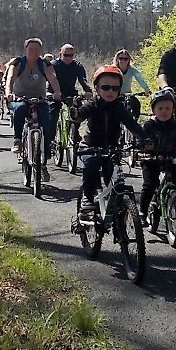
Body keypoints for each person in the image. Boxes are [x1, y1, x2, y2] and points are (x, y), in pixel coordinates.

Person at [73, 65, 147, 229]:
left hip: (112, 149)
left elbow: (132, 125)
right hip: (90, 147)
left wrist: (145, 139)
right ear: (97, 88)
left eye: (115, 88)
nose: (110, 91)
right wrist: (76, 114)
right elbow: (81, 113)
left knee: (113, 179)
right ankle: (88, 197)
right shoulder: (93, 104)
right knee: (91, 166)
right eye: (106, 87)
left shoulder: (120, 108)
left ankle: (118, 210)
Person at [138, 89, 176, 225]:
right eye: (160, 108)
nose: (164, 111)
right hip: (151, 159)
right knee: (149, 184)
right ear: (154, 110)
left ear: (173, 110)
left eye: (168, 108)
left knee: (175, 175)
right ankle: (142, 211)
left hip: (170, 157)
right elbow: (141, 139)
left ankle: (171, 195)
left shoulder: (174, 125)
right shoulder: (149, 125)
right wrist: (144, 147)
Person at [7, 38, 62, 181]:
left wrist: (57, 92)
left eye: (37, 49)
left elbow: (52, 78)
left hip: (40, 99)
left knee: (46, 122)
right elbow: (10, 78)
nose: (34, 52)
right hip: (20, 98)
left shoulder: (44, 64)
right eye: (31, 49)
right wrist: (9, 92)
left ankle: (42, 163)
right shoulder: (19, 63)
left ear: (41, 51)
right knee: (20, 109)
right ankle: (17, 140)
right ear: (25, 50)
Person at [48, 44, 93, 151]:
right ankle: (50, 141)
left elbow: (83, 80)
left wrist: (88, 91)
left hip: (70, 93)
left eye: (71, 55)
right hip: (54, 93)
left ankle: (75, 132)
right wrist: (51, 94)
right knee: (52, 114)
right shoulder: (53, 65)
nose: (68, 58)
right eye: (65, 55)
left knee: (79, 111)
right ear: (60, 54)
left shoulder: (77, 66)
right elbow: (49, 81)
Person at [114, 49, 152, 119]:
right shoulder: (113, 70)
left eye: (126, 59)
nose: (123, 61)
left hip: (128, 95)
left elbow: (140, 79)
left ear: (129, 60)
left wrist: (146, 89)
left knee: (136, 104)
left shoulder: (132, 70)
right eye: (121, 58)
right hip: (115, 95)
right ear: (117, 59)